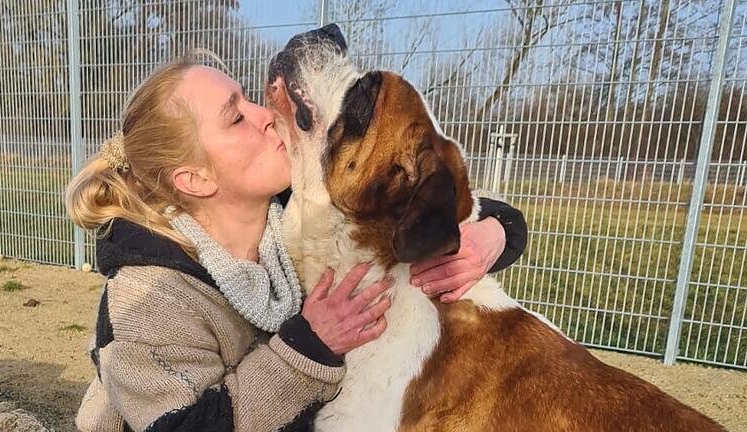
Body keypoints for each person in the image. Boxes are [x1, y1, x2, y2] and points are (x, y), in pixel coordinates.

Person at [66, 51, 527, 432]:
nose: (267, 115)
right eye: (236, 117)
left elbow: (418, 195)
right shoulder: (146, 301)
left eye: (249, 100)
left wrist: (496, 231)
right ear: (196, 178)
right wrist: (310, 345)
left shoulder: (284, 216)